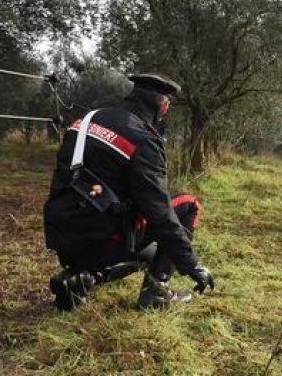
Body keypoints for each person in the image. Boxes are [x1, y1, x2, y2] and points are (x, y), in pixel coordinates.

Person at [43, 73, 215, 311]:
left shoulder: (85, 120)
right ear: (162, 107)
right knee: (188, 203)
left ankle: (77, 281)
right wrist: (191, 265)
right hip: (101, 243)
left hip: (61, 237)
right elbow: (160, 212)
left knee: (148, 254)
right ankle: (156, 293)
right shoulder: (142, 139)